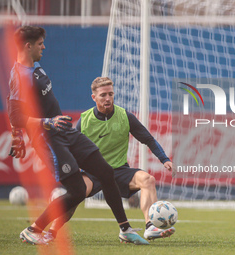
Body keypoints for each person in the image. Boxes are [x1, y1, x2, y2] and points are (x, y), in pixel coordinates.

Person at [7, 26, 149, 245]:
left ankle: (125, 229)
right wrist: (46, 123)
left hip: (65, 132)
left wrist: (22, 134)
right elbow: (16, 115)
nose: (44, 47)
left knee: (105, 171)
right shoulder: (19, 75)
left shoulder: (35, 68)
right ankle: (33, 229)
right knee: (77, 191)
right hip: (48, 139)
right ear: (28, 46)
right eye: (40, 43)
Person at [42, 77, 175, 243]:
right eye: (103, 95)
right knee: (76, 195)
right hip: (92, 172)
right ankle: (51, 232)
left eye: (110, 94)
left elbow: (148, 139)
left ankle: (150, 227)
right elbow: (69, 147)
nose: (108, 98)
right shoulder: (85, 120)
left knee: (148, 180)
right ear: (94, 97)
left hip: (119, 170)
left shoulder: (125, 116)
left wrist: (164, 159)